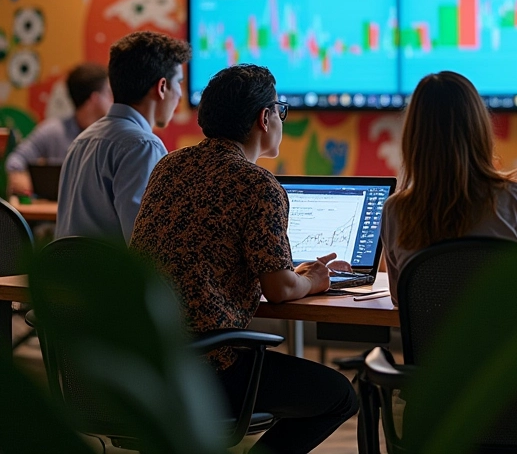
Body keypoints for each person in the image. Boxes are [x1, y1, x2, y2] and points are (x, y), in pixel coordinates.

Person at [130, 64, 358, 454]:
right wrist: (314, 279)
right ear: (264, 118)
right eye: (280, 110)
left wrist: (292, 274)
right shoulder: (256, 184)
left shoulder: (169, 166)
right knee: (340, 396)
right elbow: (280, 289)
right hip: (207, 366)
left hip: (145, 360)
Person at [381, 71, 517, 305]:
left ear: (413, 136)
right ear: (479, 128)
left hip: (433, 342)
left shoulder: (396, 210)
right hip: (504, 341)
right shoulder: (514, 198)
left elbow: (399, 298)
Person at [56, 31, 190, 242]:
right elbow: (146, 245)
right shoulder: (143, 146)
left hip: (66, 273)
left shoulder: (82, 140)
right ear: (162, 87)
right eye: (179, 83)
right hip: (112, 275)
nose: (181, 94)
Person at [5, 62, 112, 197]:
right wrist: (24, 180)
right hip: (54, 214)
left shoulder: (112, 136)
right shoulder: (53, 131)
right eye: (108, 92)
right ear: (94, 98)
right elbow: (15, 161)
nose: (113, 99)